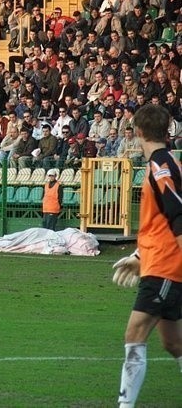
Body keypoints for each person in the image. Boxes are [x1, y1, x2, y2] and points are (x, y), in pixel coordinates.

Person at [111, 104, 182, 408]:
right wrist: (140, 255)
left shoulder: (161, 166)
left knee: (135, 332)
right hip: (157, 261)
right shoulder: (165, 163)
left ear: (138, 132)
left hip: (166, 266)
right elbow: (162, 221)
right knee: (173, 343)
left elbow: (178, 214)